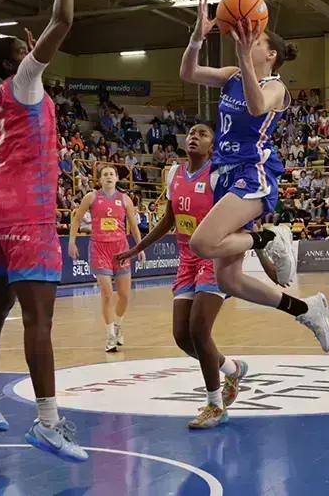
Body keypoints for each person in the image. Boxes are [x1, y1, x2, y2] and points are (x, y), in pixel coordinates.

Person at [0, 0, 88, 462]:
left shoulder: (1, 95)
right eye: (26, 47)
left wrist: (26, 53)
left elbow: (32, 59)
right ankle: (47, 424)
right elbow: (64, 17)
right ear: (18, 59)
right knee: (39, 322)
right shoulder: (24, 81)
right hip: (27, 211)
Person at [178, 0, 329, 351]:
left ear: (271, 54)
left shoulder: (276, 88)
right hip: (224, 173)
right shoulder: (233, 75)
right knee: (229, 279)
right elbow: (188, 74)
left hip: (254, 171)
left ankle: (268, 239)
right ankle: (306, 308)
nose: (247, 39)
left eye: (256, 40)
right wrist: (197, 39)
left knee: (202, 244)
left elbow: (256, 106)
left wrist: (245, 59)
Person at [115, 124, 282, 429]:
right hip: (186, 261)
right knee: (182, 336)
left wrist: (265, 257)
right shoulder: (174, 174)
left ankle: (215, 405)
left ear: (212, 146)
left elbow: (242, 219)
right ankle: (233, 368)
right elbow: (169, 219)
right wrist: (135, 248)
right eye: (191, 132)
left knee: (199, 331)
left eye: (202, 134)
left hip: (214, 258)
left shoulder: (220, 175)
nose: (194, 136)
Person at [69, 166, 143, 352]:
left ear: (117, 178)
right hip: (99, 247)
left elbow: (133, 226)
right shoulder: (92, 197)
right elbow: (76, 219)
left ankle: (118, 325)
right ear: (100, 180)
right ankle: (110, 336)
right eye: (105, 175)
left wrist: (139, 247)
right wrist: (72, 241)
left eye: (111, 174)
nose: (109, 177)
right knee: (107, 293)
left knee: (125, 295)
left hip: (121, 249)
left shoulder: (125, 199)